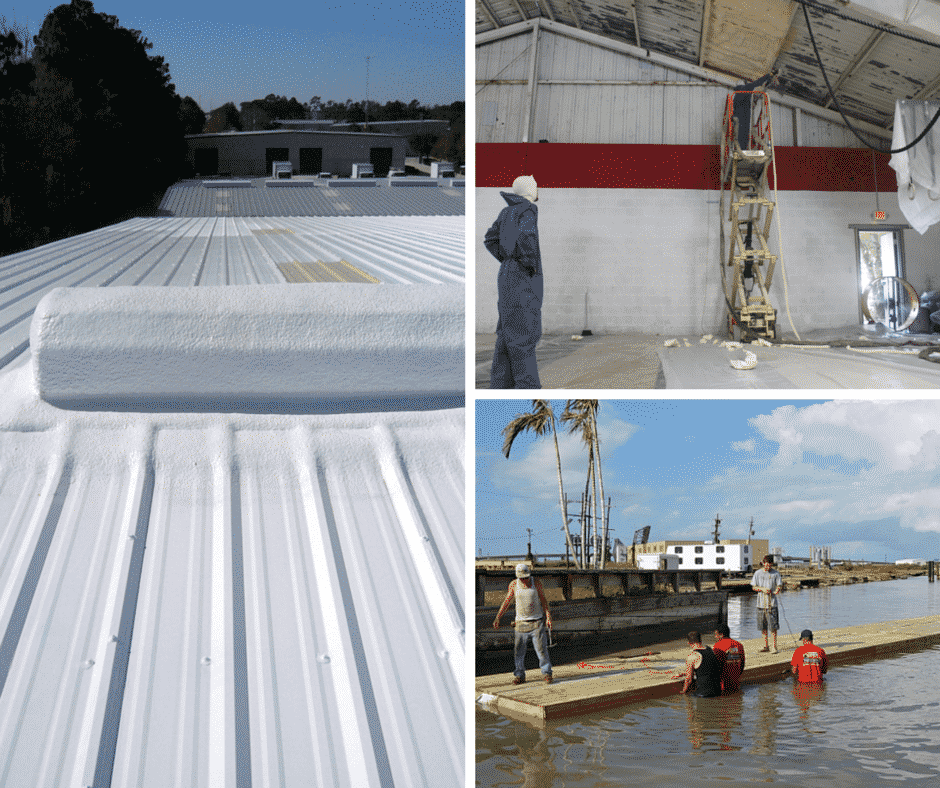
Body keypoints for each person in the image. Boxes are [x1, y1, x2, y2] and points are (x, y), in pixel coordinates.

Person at [483, 175, 543, 389]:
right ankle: (528, 389)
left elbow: (490, 239)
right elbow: (527, 237)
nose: (538, 190)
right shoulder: (527, 209)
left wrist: (507, 257)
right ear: (529, 190)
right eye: (535, 187)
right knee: (524, 335)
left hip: (506, 274)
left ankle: (500, 387)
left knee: (506, 335)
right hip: (521, 278)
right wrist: (528, 262)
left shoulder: (506, 211)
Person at [493, 562, 553, 684]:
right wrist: (498, 617)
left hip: (536, 622)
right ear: (518, 577)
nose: (525, 580)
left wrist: (548, 617)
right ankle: (519, 675)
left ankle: (547, 673)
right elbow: (507, 602)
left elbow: (543, 600)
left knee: (541, 650)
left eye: (526, 577)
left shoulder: (536, 583)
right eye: (522, 578)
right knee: (518, 652)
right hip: (520, 624)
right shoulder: (514, 585)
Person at [732, 70, 778, 151]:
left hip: (737, 118)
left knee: (738, 135)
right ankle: (743, 151)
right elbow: (757, 83)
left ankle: (739, 151)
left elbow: (735, 108)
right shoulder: (746, 88)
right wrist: (768, 76)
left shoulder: (735, 95)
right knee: (744, 134)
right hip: (745, 118)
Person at [751, 554, 782, 653]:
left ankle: (774, 646)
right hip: (760, 604)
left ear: (771, 564)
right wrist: (762, 589)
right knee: (762, 626)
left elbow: (779, 585)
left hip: (772, 604)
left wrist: (776, 591)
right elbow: (753, 587)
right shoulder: (757, 573)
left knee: (773, 626)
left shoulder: (776, 574)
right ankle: (765, 646)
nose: (767, 566)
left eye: (769, 565)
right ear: (763, 563)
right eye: (766, 564)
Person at [681, 631, 723, 697]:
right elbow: (706, 669)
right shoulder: (710, 650)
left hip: (703, 694)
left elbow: (689, 679)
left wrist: (683, 692)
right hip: (718, 692)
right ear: (701, 641)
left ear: (689, 643)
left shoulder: (692, 656)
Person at [713, 623, 746, 694]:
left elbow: (716, 665)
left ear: (721, 635)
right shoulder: (739, 645)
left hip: (723, 684)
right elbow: (742, 663)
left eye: (716, 634)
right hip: (736, 682)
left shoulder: (718, 646)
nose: (715, 637)